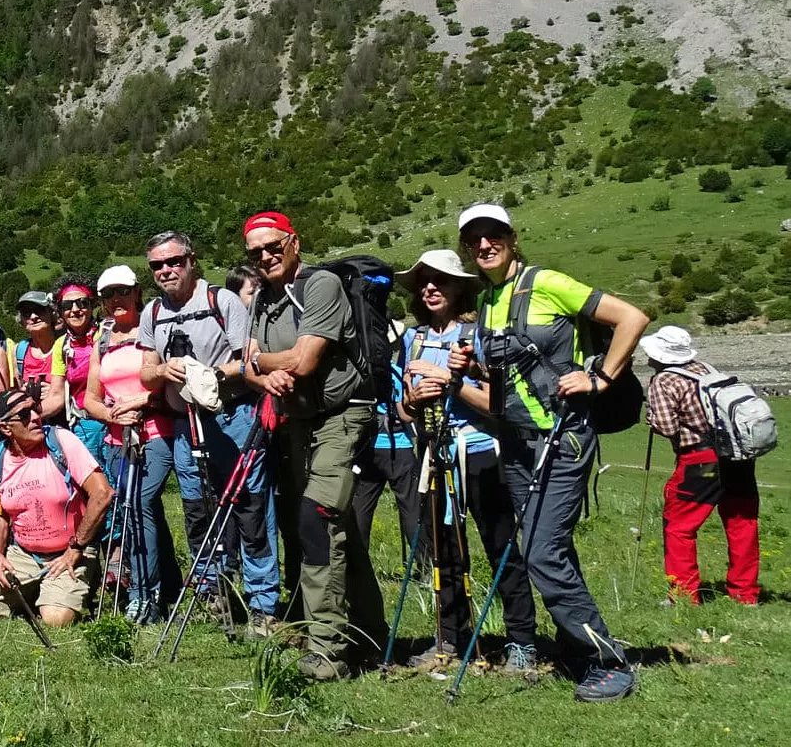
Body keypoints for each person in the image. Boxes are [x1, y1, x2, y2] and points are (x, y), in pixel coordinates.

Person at [451, 201, 648, 701]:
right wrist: (465, 374)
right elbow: (502, 397)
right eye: (474, 239)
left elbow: (632, 317)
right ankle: (576, 644)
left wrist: (600, 379)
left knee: (541, 551)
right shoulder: (488, 303)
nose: (484, 244)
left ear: (513, 238)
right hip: (516, 444)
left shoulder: (547, 283)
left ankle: (608, 662)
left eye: (493, 234)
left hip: (563, 439)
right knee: (548, 548)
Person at [242, 212, 383, 680]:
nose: (264, 257)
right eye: (255, 252)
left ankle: (327, 652)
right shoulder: (263, 298)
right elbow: (245, 370)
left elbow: (304, 359)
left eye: (272, 246)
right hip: (300, 424)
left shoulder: (320, 285)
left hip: (342, 417)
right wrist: (265, 372)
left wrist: (264, 362)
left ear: (294, 242)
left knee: (316, 520)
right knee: (330, 523)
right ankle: (366, 631)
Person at [389, 249, 538, 671]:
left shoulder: (480, 337)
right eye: (424, 282)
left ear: (460, 288)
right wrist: (415, 399)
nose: (431, 288)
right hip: (435, 457)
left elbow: (500, 404)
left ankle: (522, 640)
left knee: (500, 547)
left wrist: (451, 382)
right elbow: (402, 410)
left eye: (441, 281)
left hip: (480, 454)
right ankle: (449, 638)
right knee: (445, 554)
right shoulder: (412, 340)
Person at [139, 230, 280, 634]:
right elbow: (147, 371)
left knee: (251, 508)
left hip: (232, 416)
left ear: (192, 261)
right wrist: (164, 371)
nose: (166, 270)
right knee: (198, 510)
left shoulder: (223, 301)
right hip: (186, 424)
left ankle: (262, 603)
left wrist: (211, 375)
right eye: (158, 265)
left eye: (174, 262)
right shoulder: (152, 313)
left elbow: (248, 360)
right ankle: (213, 594)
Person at [640, 325, 759, 607]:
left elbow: (667, 427)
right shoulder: (706, 369)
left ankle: (683, 594)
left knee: (680, 525)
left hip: (700, 459)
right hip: (738, 454)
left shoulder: (664, 381)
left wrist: (651, 418)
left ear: (660, 355)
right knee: (742, 523)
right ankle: (746, 594)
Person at [0, 388, 114, 627]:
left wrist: (76, 548)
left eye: (35, 409)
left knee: (55, 619)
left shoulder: (61, 442)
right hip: (23, 554)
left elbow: (102, 494)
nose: (36, 417)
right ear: (5, 428)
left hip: (70, 550)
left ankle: (71, 586)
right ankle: (44, 590)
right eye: (25, 415)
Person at [84, 263, 172, 622]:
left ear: (137, 292)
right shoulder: (102, 338)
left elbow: (169, 385)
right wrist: (111, 416)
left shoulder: (154, 330)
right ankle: (156, 588)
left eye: (122, 291)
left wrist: (141, 403)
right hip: (115, 438)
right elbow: (90, 398)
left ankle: (146, 594)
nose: (116, 300)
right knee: (131, 513)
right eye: (108, 295)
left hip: (156, 432)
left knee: (140, 505)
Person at [51, 275, 106, 454]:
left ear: (92, 305)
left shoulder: (108, 334)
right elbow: (56, 394)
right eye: (67, 306)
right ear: (60, 311)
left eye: (82, 303)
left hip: (114, 422)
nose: (75, 310)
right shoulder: (61, 345)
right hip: (83, 427)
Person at [12, 292, 66, 423]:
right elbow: (16, 388)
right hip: (32, 423)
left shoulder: (65, 346)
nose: (33, 316)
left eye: (39, 311)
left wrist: (58, 392)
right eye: (26, 313)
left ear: (51, 313)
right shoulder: (19, 350)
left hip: (64, 421)